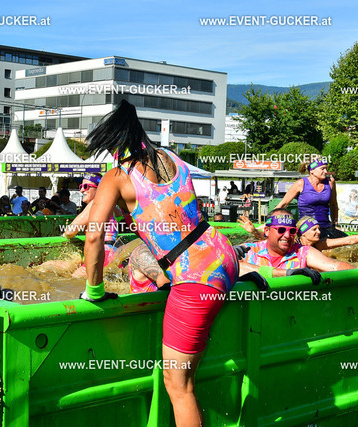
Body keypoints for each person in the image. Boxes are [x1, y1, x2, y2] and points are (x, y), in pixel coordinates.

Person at [82, 100, 240, 426]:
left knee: (179, 385)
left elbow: (94, 235)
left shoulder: (116, 176)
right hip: (222, 253)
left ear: (113, 143)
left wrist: (94, 291)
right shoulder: (172, 158)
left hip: (195, 276)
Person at [239, 209, 358, 281]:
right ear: (266, 231)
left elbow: (333, 266)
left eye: (292, 231)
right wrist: (287, 273)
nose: (287, 235)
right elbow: (235, 267)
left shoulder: (304, 252)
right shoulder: (248, 250)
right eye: (281, 230)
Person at [275, 159, 346, 239]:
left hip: (325, 226)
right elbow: (283, 204)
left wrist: (335, 224)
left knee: (347, 241)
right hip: (306, 227)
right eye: (322, 169)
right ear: (312, 171)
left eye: (326, 168)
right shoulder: (300, 183)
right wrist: (269, 222)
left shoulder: (330, 182)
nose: (326, 171)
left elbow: (333, 204)